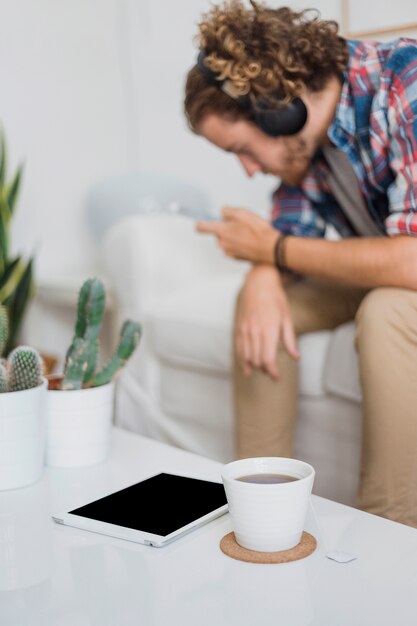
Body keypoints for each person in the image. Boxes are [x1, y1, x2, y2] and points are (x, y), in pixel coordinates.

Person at [183, 0, 417, 528]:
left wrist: (271, 252)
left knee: (387, 312)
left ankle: (389, 534)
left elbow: (411, 262)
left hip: (405, 273)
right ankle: (259, 511)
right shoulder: (303, 144)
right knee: (262, 296)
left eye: (242, 150)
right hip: (390, 265)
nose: (247, 170)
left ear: (276, 107)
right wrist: (264, 271)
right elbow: (285, 232)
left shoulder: (406, 80)